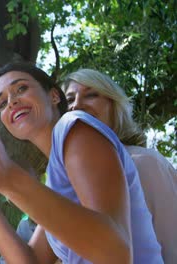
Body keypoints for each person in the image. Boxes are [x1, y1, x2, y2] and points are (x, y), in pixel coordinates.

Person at [0, 61, 163, 263]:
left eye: (21, 88)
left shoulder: (74, 126)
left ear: (54, 96)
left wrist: (7, 177)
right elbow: (32, 261)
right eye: (2, 103)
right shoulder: (54, 181)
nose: (11, 101)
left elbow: (115, 255)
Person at [62, 68, 177, 262]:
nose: (77, 106)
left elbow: (172, 245)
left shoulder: (144, 163)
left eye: (91, 95)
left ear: (114, 108)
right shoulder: (65, 182)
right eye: (70, 100)